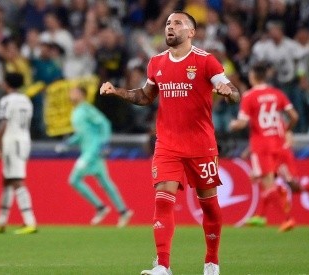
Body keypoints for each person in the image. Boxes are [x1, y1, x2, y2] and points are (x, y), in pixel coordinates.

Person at [100, 11, 240, 275]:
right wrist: (117, 91)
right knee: (163, 199)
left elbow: (233, 92)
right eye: (167, 23)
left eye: (177, 23)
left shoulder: (206, 61)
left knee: (208, 205)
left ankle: (211, 262)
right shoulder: (156, 63)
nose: (170, 27)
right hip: (167, 144)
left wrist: (228, 92)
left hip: (201, 145)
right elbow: (145, 96)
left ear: (191, 32)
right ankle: (163, 266)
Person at [229, 62, 298, 232]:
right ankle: (261, 215)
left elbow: (243, 123)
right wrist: (287, 131)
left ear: (253, 77)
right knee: (262, 180)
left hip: (261, 145)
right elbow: (294, 116)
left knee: (268, 184)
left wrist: (233, 125)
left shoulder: (249, 96)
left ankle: (287, 219)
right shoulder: (277, 94)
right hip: (277, 143)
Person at [55, 86, 133, 227]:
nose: (71, 94)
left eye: (74, 91)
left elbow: (104, 123)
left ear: (82, 94)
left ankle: (101, 207)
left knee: (74, 179)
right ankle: (123, 211)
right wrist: (67, 143)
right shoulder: (76, 112)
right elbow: (81, 134)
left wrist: (104, 144)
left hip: (92, 151)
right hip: (90, 151)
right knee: (105, 182)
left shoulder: (86, 109)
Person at [0, 73, 37, 235]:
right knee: (7, 180)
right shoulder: (26, 100)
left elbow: (3, 124)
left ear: (6, 84)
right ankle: (1, 222)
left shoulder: (7, 100)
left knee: (16, 180)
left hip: (11, 141)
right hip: (24, 140)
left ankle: (30, 222)